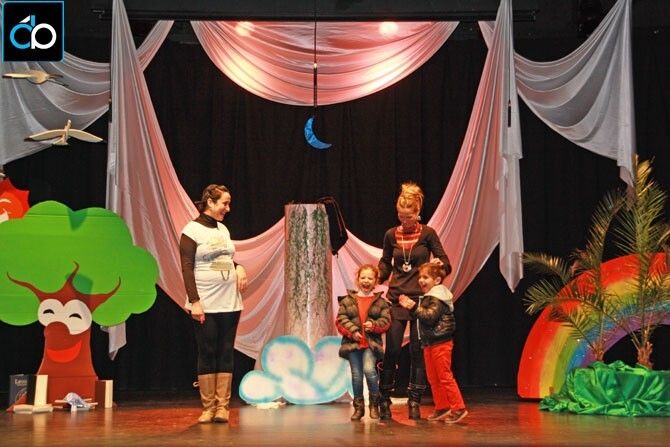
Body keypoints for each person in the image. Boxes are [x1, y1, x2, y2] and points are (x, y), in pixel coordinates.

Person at [377, 181, 451, 420]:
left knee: (418, 351)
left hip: (421, 300)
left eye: (408, 216)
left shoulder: (428, 233)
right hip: (397, 297)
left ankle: (414, 400)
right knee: (392, 350)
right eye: (400, 216)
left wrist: (440, 265)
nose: (404, 220)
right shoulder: (391, 234)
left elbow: (445, 262)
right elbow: (386, 263)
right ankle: (384, 398)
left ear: (417, 213)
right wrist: (378, 274)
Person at [179, 184, 248, 424]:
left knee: (225, 350)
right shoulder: (191, 230)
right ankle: (208, 407)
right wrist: (195, 302)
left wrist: (239, 267)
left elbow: (226, 258)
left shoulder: (222, 229)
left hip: (230, 301)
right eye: (224, 203)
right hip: (205, 302)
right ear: (210, 202)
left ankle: (223, 407)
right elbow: (187, 267)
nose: (228, 208)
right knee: (207, 351)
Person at [399, 263, 467, 424]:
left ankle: (458, 408)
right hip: (430, 342)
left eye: (426, 277)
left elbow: (429, 317)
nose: (421, 280)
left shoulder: (437, 297)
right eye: (420, 277)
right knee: (433, 378)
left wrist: (413, 307)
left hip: (441, 342)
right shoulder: (430, 296)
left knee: (444, 376)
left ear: (437, 280)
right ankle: (442, 406)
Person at [336, 264, 391, 421]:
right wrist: (353, 331)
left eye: (370, 278)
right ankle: (358, 408)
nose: (366, 281)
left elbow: (386, 321)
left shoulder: (381, 302)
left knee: (369, 371)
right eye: (363, 277)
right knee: (356, 375)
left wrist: (373, 325)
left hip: (370, 344)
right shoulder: (347, 300)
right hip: (353, 344)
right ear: (358, 279)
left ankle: (374, 404)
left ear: (375, 281)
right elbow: (340, 320)